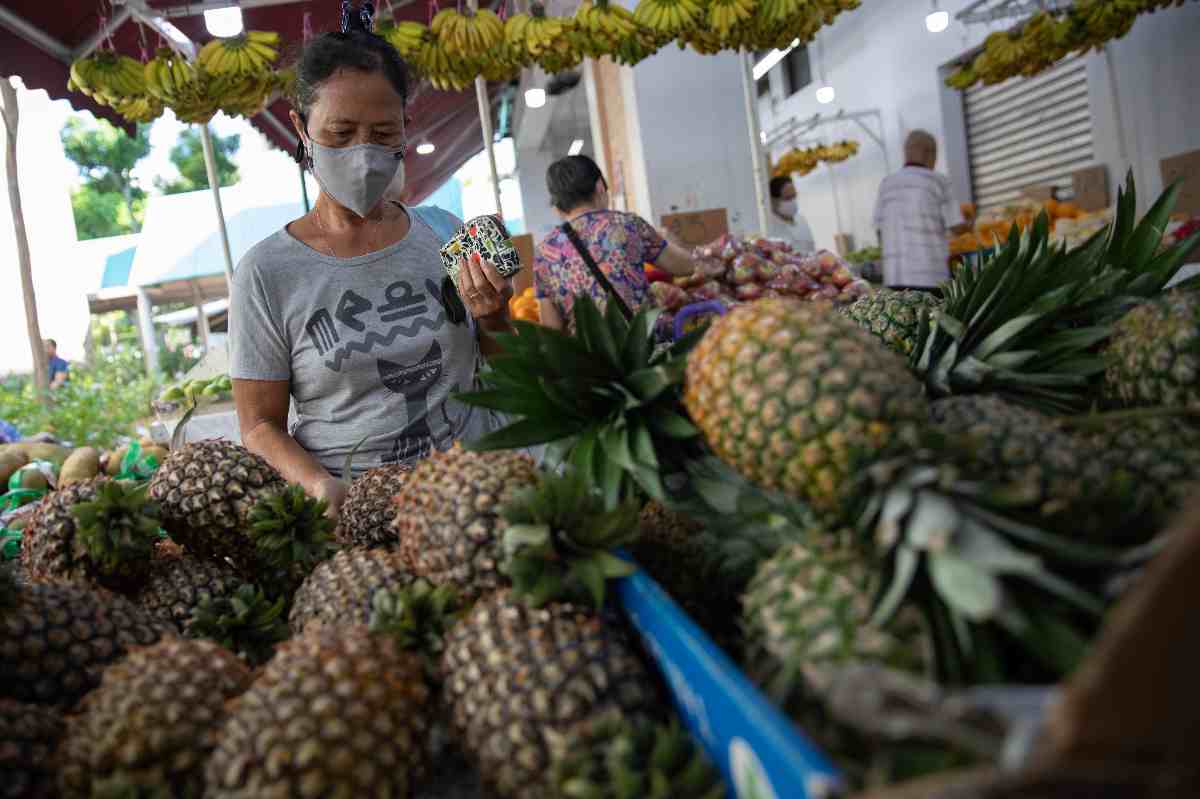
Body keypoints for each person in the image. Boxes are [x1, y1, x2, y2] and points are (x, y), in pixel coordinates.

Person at [230, 2, 511, 519]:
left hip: (473, 496)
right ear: (300, 128)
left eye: (383, 135)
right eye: (339, 134)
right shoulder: (265, 273)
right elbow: (259, 426)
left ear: (406, 126)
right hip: (356, 514)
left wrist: (495, 317)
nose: (363, 153)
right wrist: (318, 486)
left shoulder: (446, 234)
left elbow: (506, 367)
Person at [533, 155, 694, 334]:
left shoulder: (544, 252)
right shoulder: (628, 224)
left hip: (592, 359)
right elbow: (686, 266)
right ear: (600, 186)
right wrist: (668, 237)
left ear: (557, 206)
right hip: (646, 347)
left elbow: (551, 331)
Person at [872, 130, 970, 292]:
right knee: (933, 317)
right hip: (931, 276)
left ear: (906, 152)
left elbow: (879, 229)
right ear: (929, 153)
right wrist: (972, 223)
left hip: (894, 276)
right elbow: (957, 227)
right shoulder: (939, 182)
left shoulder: (887, 184)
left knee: (902, 317)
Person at [766, 176, 816, 253]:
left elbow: (812, 248)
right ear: (773, 200)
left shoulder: (801, 220)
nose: (793, 201)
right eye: (788, 198)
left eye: (794, 196)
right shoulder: (768, 226)